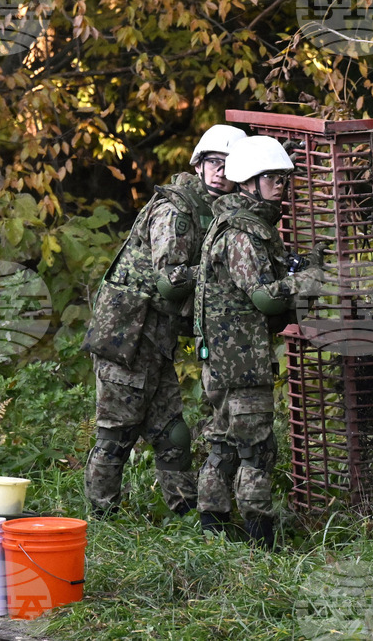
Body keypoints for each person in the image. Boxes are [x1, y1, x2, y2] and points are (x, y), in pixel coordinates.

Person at [82, 123, 246, 517]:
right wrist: (218, 271)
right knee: (117, 431)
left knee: (171, 432)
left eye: (229, 165)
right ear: (200, 164)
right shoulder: (178, 209)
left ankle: (184, 513)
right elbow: (170, 282)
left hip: (155, 334)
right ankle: (101, 518)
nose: (220, 171)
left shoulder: (214, 211)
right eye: (214, 162)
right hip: (129, 332)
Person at [193, 135, 324, 548]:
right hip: (239, 360)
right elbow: (264, 298)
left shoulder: (239, 223)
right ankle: (259, 541)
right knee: (255, 449)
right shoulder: (243, 232)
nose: (280, 184)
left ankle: (213, 530)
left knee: (226, 441)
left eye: (283, 177)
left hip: (225, 356)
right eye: (271, 177)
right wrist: (308, 279)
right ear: (249, 182)